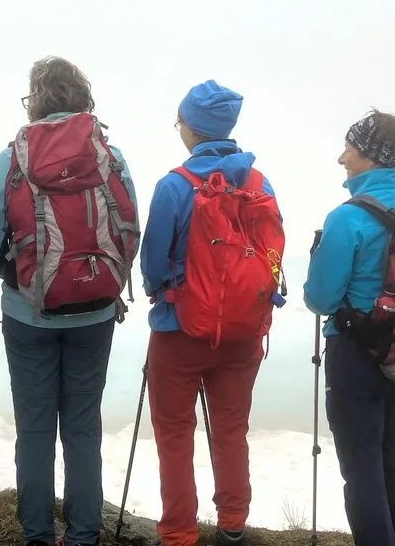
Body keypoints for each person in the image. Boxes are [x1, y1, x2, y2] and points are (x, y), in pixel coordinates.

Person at [0, 56, 140, 546]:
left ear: (36, 100)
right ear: (82, 97)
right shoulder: (109, 155)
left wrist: (20, 278)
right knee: (82, 426)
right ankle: (84, 535)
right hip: (95, 312)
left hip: (29, 313)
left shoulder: (12, 158)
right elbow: (130, 231)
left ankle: (36, 534)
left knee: (34, 429)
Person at [138, 81, 281, 546]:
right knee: (231, 431)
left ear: (191, 127)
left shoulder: (175, 184)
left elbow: (153, 262)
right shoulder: (261, 183)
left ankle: (179, 534)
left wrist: (163, 292)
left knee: (175, 434)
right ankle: (233, 526)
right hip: (243, 332)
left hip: (179, 330)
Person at [303, 110, 395, 546]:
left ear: (371, 157)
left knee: (361, 465)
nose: (343, 158)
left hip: (355, 355)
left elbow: (320, 299)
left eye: (351, 149)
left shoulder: (348, 218)